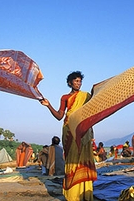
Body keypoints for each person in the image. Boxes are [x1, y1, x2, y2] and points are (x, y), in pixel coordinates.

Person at [40, 71, 97, 200]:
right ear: (70, 82)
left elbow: (94, 107)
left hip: (83, 129)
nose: (79, 83)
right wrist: (48, 105)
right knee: (72, 158)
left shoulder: (86, 96)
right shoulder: (65, 97)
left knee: (83, 158)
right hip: (69, 129)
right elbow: (59, 116)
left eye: (80, 81)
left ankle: (85, 191)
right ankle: (73, 193)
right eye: (76, 81)